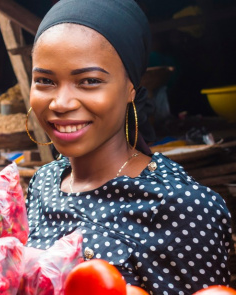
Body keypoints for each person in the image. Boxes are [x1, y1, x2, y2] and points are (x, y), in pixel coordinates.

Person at [24, 1, 232, 294]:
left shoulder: (182, 207)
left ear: (131, 87)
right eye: (45, 81)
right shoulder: (43, 183)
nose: (61, 103)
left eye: (89, 81)